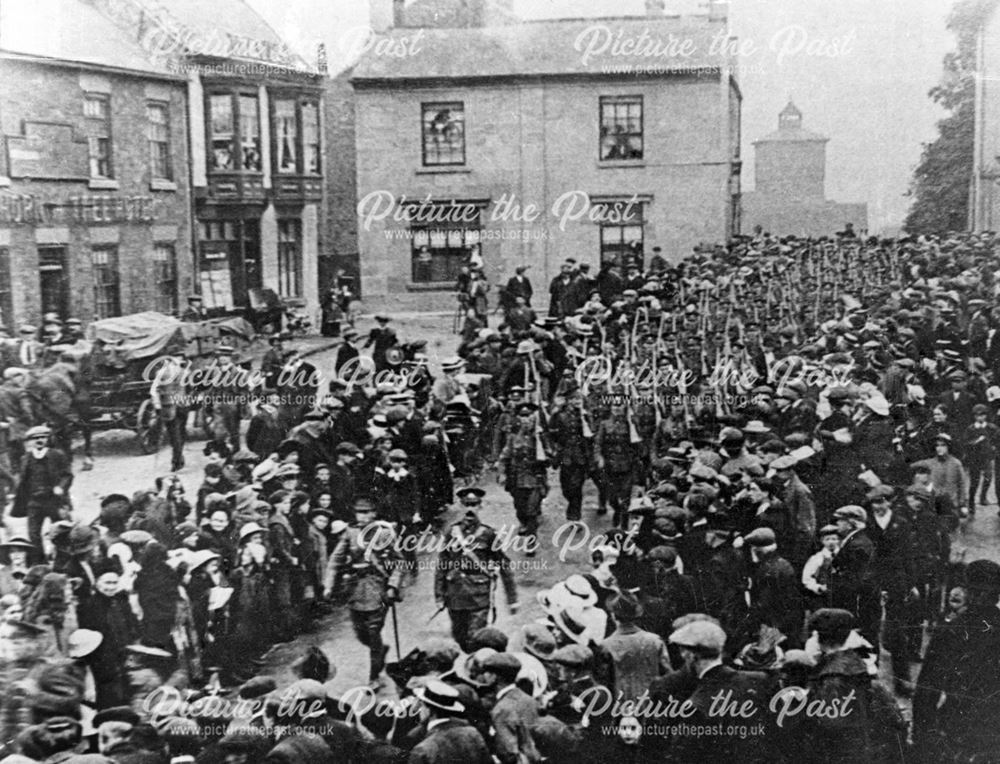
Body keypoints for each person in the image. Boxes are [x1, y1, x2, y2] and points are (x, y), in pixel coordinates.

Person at [324, 497, 405, 688]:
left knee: (373, 631)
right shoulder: (350, 533)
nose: (361, 517)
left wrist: (393, 586)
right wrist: (328, 585)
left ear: (373, 514)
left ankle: (374, 676)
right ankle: (380, 650)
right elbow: (335, 560)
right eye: (358, 512)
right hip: (355, 589)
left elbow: (400, 561)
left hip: (378, 589)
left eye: (365, 512)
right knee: (361, 633)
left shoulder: (384, 534)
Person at [435, 489, 518, 651]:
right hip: (455, 594)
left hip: (479, 595)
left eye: (474, 505)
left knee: (476, 639)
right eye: (466, 504)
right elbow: (442, 565)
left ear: (480, 506)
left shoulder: (488, 534)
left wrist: (512, 599)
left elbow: (504, 565)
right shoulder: (451, 532)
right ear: (460, 506)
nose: (470, 509)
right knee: (459, 638)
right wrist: (439, 595)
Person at [9, 425, 72, 562]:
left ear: (48, 439)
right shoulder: (26, 458)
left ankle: (62, 560)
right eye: (35, 438)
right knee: (33, 534)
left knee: (61, 531)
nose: (39, 440)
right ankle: (40, 562)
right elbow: (23, 479)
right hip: (34, 502)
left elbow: (67, 475)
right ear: (30, 441)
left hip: (54, 501)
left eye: (42, 437)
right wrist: (17, 494)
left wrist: (61, 487)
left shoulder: (57, 455)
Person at [409, 680, 492, 764]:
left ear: (429, 710)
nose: (419, 710)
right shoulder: (473, 733)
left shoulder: (423, 749)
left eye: (421, 705)